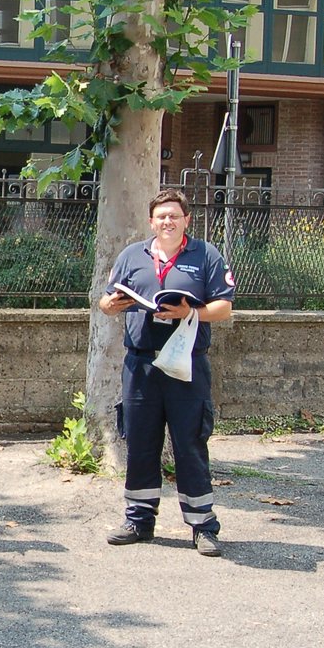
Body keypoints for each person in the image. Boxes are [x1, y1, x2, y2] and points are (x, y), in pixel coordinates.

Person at [98, 187, 235, 557]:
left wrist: (190, 313)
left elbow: (224, 307)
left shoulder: (206, 255)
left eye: (174, 215)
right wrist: (111, 305)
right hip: (141, 363)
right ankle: (139, 519)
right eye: (161, 216)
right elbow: (106, 300)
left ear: (186, 220)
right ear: (151, 221)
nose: (168, 221)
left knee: (190, 441)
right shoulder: (132, 255)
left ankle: (203, 525)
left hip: (186, 363)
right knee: (140, 440)